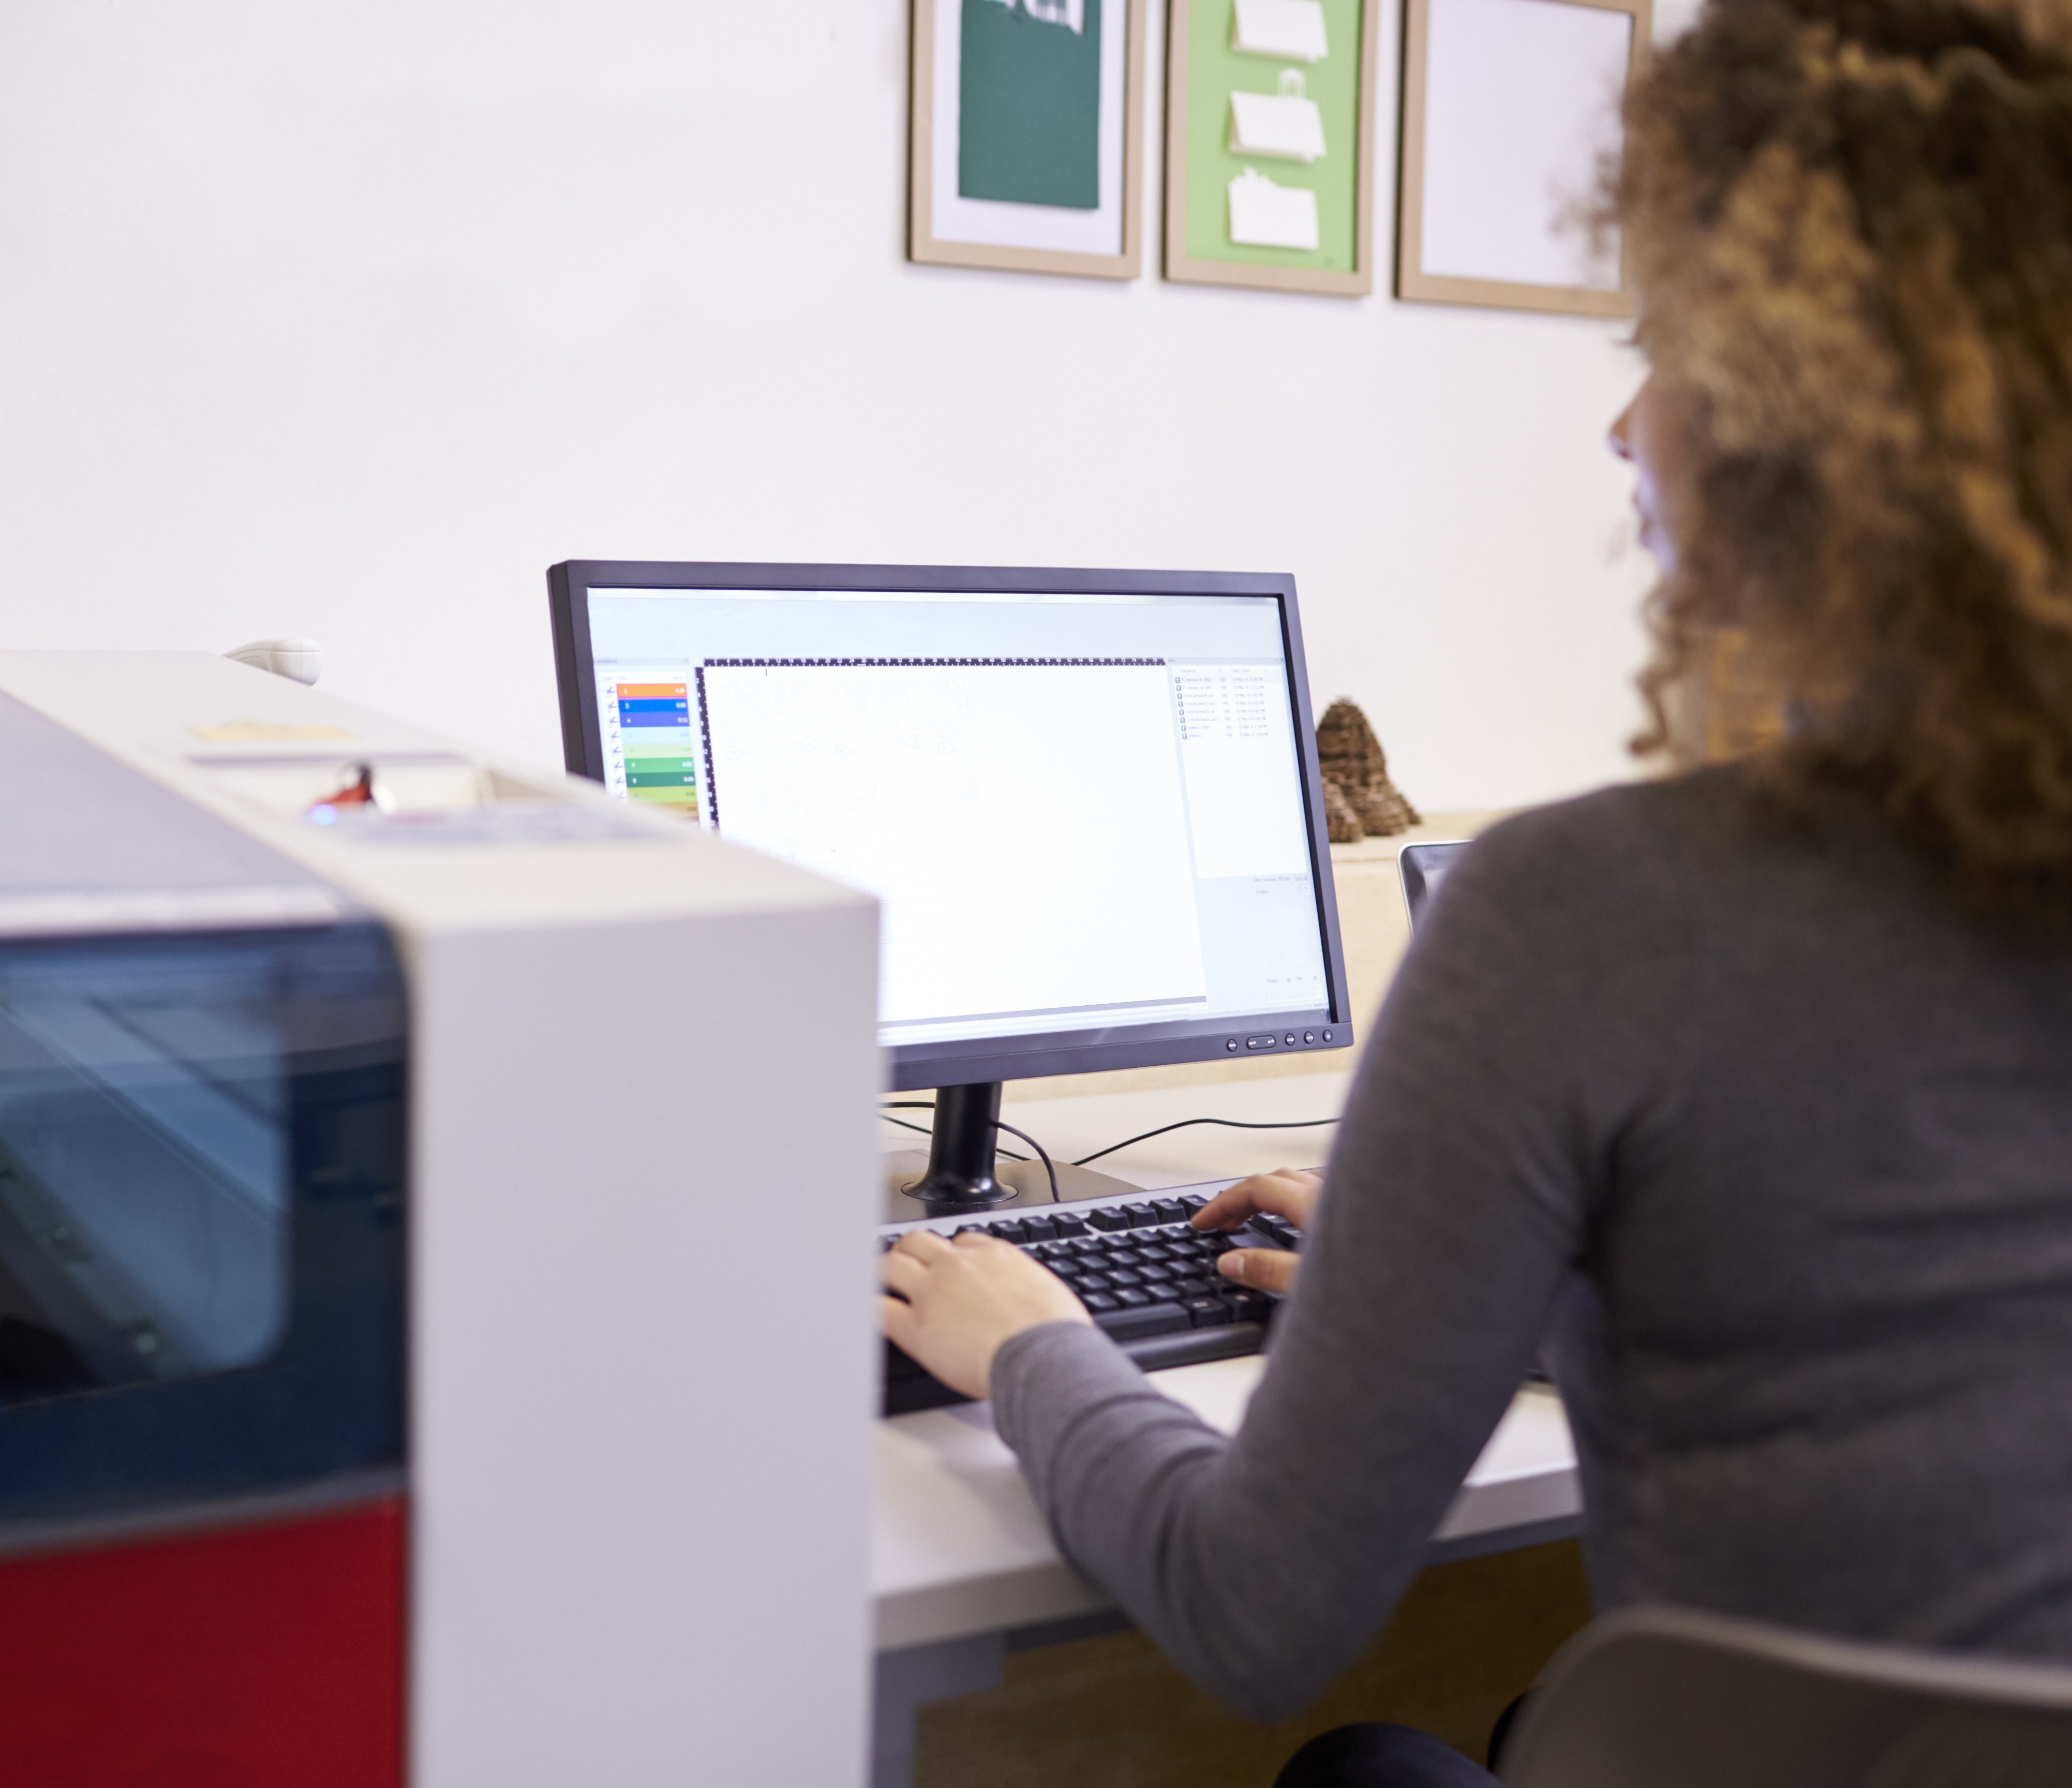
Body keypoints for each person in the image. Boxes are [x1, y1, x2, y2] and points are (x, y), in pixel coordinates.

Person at [880, 0, 2072, 1780]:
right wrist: (1475, 1277)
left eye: (1663, 349)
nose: (1620, 426)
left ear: (1795, 426)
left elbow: (1261, 1614)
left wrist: (1039, 1346)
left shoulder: (1593, 914)